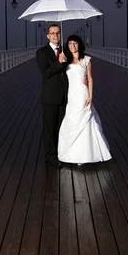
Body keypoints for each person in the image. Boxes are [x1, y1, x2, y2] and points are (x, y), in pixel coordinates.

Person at [57, 34, 111, 164]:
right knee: (71, 120)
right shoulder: (65, 59)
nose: (72, 46)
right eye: (70, 43)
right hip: (71, 94)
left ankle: (89, 155)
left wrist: (91, 97)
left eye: (75, 43)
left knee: (85, 120)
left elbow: (90, 78)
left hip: (82, 93)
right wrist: (59, 61)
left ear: (79, 44)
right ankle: (73, 154)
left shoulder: (86, 59)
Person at [36, 24, 68, 167]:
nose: (56, 35)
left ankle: (60, 154)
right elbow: (46, 73)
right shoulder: (42, 52)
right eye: (53, 33)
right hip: (50, 96)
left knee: (60, 127)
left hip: (64, 95)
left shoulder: (64, 50)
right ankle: (50, 157)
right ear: (48, 35)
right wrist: (58, 62)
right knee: (49, 128)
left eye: (58, 33)